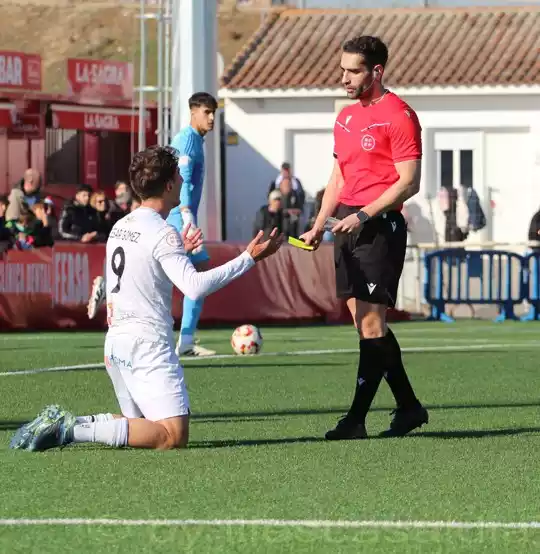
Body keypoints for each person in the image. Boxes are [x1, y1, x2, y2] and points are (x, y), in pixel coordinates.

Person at [10, 145, 283, 452]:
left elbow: (144, 265)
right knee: (172, 436)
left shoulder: (121, 225)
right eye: (179, 175)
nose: (183, 181)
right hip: (146, 345)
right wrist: (249, 257)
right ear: (168, 185)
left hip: (116, 345)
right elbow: (194, 287)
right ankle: (68, 430)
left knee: (136, 423)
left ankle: (61, 422)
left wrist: (177, 248)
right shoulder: (162, 232)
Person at [300, 35, 428, 440]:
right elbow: (340, 174)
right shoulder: (345, 117)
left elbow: (410, 183)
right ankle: (409, 408)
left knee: (372, 325)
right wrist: (320, 219)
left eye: (353, 70)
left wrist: (364, 214)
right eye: (342, 69)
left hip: (378, 227)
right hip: (345, 223)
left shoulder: (400, 115)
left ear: (377, 71)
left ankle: (355, 420)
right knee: (364, 324)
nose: (345, 77)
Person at [166, 92, 218, 357]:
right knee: (193, 275)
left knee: (194, 273)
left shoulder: (196, 141)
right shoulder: (186, 140)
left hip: (182, 215)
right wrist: (186, 214)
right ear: (193, 112)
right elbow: (182, 177)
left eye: (214, 113)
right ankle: (185, 339)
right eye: (206, 112)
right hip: (179, 216)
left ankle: (186, 339)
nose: (211, 118)